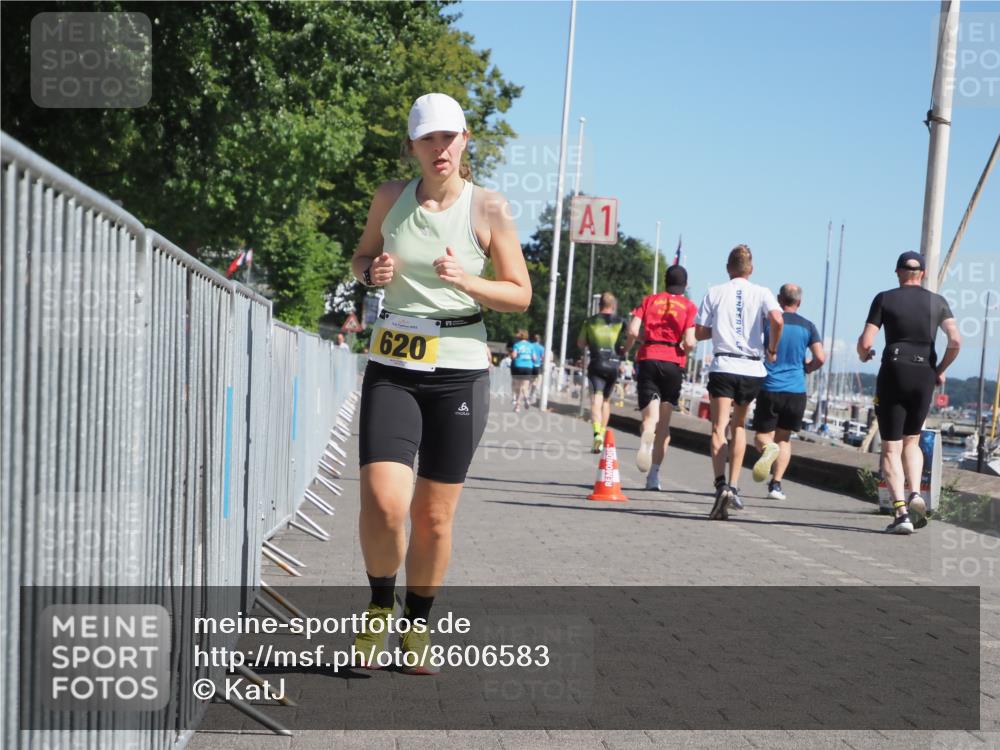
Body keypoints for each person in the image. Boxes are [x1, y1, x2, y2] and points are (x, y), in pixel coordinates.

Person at [350, 92, 531, 671]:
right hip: (393, 365)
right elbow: (360, 257)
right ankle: (380, 606)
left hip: (459, 369)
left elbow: (520, 293)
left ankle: (417, 626)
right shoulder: (389, 198)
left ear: (465, 140)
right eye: (428, 138)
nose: (440, 148)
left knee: (432, 516)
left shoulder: (489, 209)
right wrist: (370, 271)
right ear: (413, 147)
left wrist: (467, 282)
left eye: (449, 136)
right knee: (383, 503)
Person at [856, 251, 960, 534]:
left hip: (894, 369)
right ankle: (916, 493)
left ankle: (901, 513)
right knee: (912, 441)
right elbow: (955, 340)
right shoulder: (938, 302)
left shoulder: (885, 298)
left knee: (891, 446)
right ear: (923, 274)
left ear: (899, 272)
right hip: (923, 372)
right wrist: (939, 369)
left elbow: (865, 342)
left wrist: (865, 355)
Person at [695, 245, 783, 519]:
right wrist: (771, 347)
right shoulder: (763, 292)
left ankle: (720, 484)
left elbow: (698, 332)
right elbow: (778, 319)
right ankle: (734, 486)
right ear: (751, 269)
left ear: (727, 268)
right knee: (739, 426)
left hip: (724, 364)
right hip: (751, 367)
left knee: (718, 428)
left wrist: (720, 328)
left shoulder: (715, 292)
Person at [623, 265, 697, 489]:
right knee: (664, 425)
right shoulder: (688, 306)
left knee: (650, 418)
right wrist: (685, 350)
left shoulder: (649, 300)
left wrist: (639, 342)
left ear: (665, 281)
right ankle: (653, 476)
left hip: (649, 358)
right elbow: (691, 341)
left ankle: (647, 432)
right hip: (673, 361)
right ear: (684, 284)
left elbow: (633, 331)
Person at [750, 283, 826, 500]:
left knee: (762, 437)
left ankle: (768, 449)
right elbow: (820, 357)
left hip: (770, 386)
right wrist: (807, 369)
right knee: (784, 439)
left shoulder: (769, 322)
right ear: (799, 302)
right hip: (796, 390)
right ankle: (776, 485)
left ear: (778, 299)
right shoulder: (808, 326)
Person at [577, 292, 625, 453]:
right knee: (606, 402)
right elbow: (626, 342)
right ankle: (603, 435)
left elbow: (581, 343)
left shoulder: (590, 321)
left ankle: (597, 433)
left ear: (600, 305)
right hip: (613, 366)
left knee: (595, 401)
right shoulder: (620, 322)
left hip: (597, 364)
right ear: (613, 306)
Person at [510, 330, 536, 411]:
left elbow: (514, 356)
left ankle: (517, 406)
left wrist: (513, 356)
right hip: (528, 367)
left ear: (520, 337)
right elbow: (534, 358)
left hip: (519, 366)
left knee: (518, 387)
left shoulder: (517, 345)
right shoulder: (531, 346)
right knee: (525, 386)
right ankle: (526, 398)